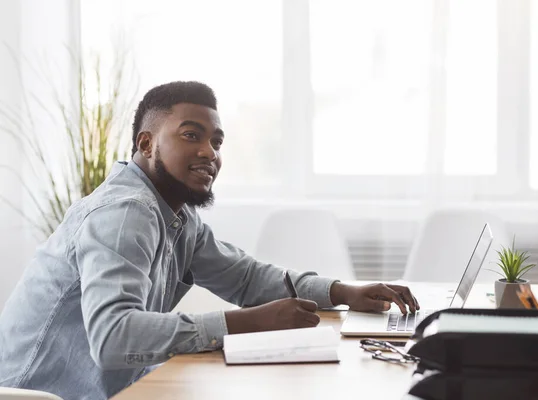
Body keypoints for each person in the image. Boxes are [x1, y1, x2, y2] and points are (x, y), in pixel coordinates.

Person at [0, 81, 419, 400]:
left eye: (216, 141)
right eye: (191, 135)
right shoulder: (125, 212)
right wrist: (247, 323)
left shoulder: (178, 217)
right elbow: (114, 338)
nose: (210, 152)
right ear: (146, 143)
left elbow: (247, 279)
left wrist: (344, 291)